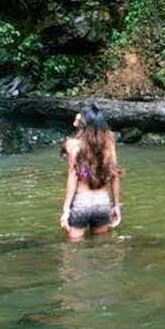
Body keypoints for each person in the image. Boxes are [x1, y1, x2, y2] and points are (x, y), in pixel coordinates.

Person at [60, 103, 123, 241]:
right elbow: (114, 175)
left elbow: (73, 176)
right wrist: (116, 205)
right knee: (101, 245)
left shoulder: (72, 144)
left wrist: (66, 210)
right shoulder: (108, 142)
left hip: (82, 202)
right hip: (102, 202)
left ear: (83, 122)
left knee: (73, 247)